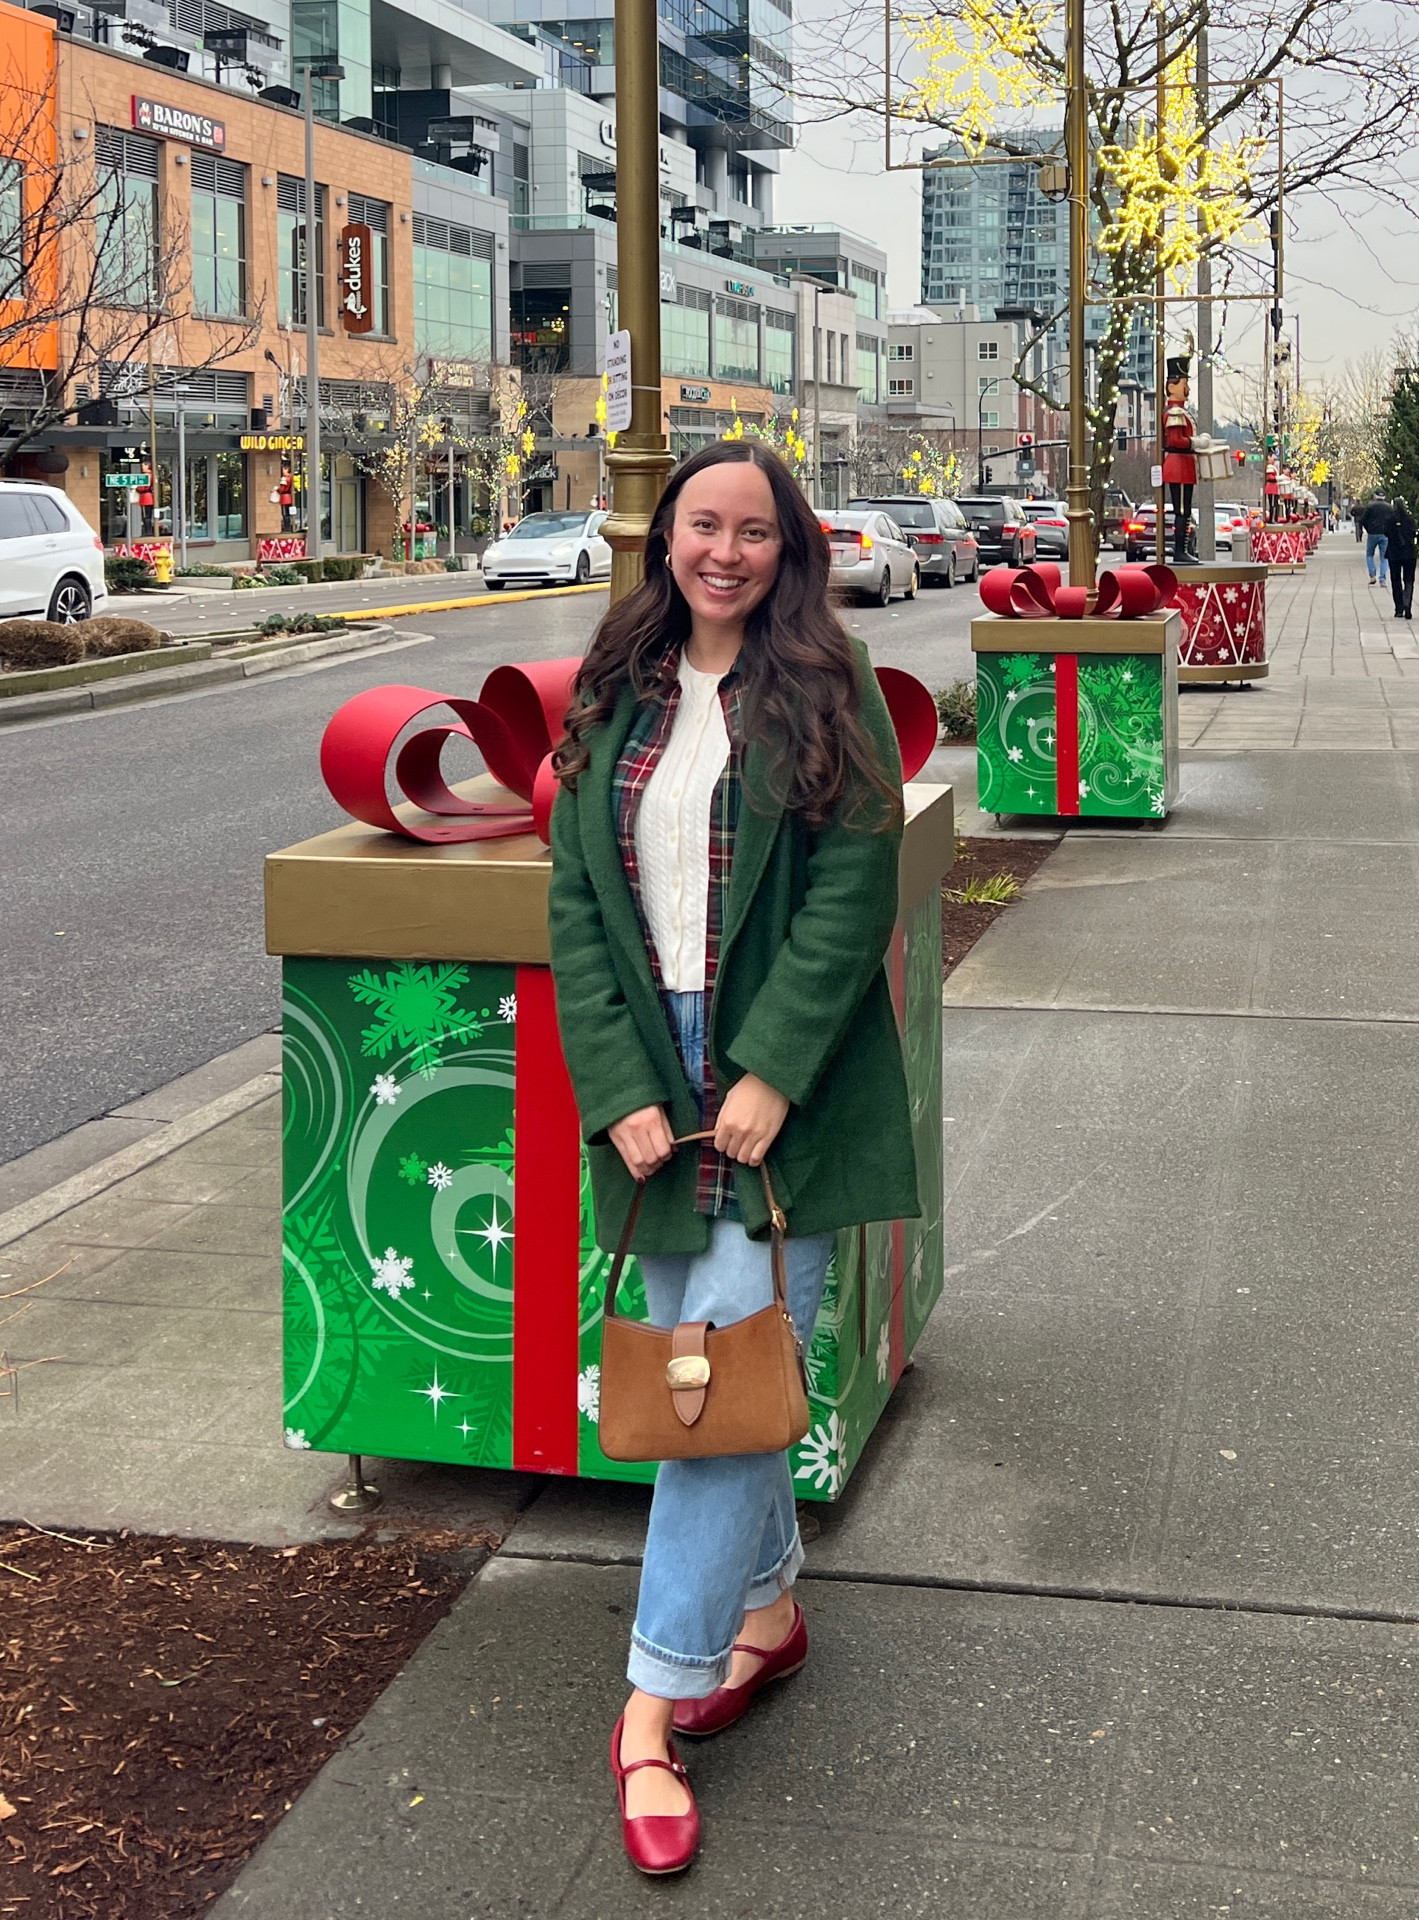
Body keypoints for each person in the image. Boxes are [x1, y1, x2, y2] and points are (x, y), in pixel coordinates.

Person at [547, 439, 919, 1878]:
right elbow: (578, 898)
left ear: (790, 549)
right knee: (721, 1362)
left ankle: (647, 1709)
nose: (724, 551)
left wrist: (770, 1067)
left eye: (753, 530)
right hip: (652, 1059)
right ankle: (764, 1609)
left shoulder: (830, 690)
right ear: (666, 540)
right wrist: (618, 1083)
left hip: (786, 1070)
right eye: (702, 524)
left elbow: (849, 890)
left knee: (701, 1384)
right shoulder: (613, 688)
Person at [1161, 356, 1198, 562]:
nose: (1188, 389)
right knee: (1182, 510)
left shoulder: (1180, 411)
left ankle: (1183, 549)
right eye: (1185, 384)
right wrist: (1194, 443)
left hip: (1183, 464)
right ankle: (1179, 551)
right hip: (1179, 465)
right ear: (1172, 386)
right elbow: (1175, 439)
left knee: (1185, 509)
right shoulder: (1175, 412)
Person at [1386, 497, 1418, 619]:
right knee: (1409, 580)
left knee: (1396, 580)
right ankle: (1407, 603)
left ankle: (1399, 608)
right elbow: (1414, 533)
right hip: (1409, 553)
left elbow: (1386, 532)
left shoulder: (1389, 520)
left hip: (1394, 553)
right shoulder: (1410, 520)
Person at [1360, 490, 1393, 586]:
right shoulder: (1388, 507)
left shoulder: (1370, 506)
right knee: (1384, 557)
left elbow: (1363, 519)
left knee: (1369, 554)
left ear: (1375, 495)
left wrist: (1368, 529)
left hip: (1373, 533)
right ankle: (1382, 579)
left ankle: (1372, 575)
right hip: (1385, 534)